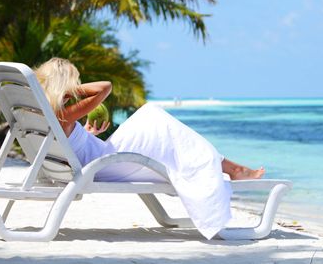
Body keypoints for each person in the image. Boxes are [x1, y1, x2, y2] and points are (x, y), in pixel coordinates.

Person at [34, 57, 265, 239]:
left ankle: (227, 168)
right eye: (73, 83)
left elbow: (70, 142)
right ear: (63, 86)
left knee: (156, 121)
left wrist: (86, 135)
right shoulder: (62, 114)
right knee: (159, 122)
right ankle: (231, 169)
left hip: (98, 159)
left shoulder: (45, 113)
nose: (75, 88)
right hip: (104, 164)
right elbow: (105, 87)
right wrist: (68, 90)